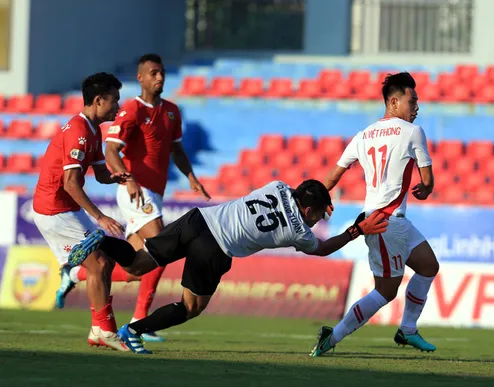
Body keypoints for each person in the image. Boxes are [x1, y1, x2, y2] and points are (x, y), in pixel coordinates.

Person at [66, 179, 388, 354]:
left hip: (197, 220)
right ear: (307, 209)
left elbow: (303, 192)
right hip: (216, 247)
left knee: (137, 264)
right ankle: (133, 331)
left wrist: (318, 194)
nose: (318, 220)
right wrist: (356, 231)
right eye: (318, 214)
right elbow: (323, 249)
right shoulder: (298, 231)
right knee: (190, 307)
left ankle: (102, 241)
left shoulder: (276, 185)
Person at [56, 53, 209, 342]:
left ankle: (73, 276)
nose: (159, 77)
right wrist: (129, 179)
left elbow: (177, 151)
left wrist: (191, 178)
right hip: (137, 191)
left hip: (156, 194)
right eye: (153, 73)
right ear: (140, 78)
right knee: (161, 251)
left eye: (162, 72)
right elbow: (112, 150)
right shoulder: (131, 111)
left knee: (137, 267)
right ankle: (140, 322)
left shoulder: (173, 111)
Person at [310, 72, 440, 357]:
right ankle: (331, 337)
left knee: (429, 266)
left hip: (390, 219)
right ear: (393, 102)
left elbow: (333, 176)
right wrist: (426, 190)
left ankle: (407, 329)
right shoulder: (412, 132)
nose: (416, 108)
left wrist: (316, 204)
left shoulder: (363, 134)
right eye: (412, 101)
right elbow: (427, 181)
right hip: (384, 223)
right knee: (385, 291)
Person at [33, 72, 130, 351]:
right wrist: (100, 217)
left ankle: (98, 327)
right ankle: (106, 330)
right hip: (54, 209)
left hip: (64, 208)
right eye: (114, 101)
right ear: (99, 100)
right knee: (99, 264)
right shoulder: (78, 131)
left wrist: (116, 177)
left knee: (103, 264)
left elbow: (100, 174)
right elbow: (70, 182)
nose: (118, 107)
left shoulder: (92, 130)